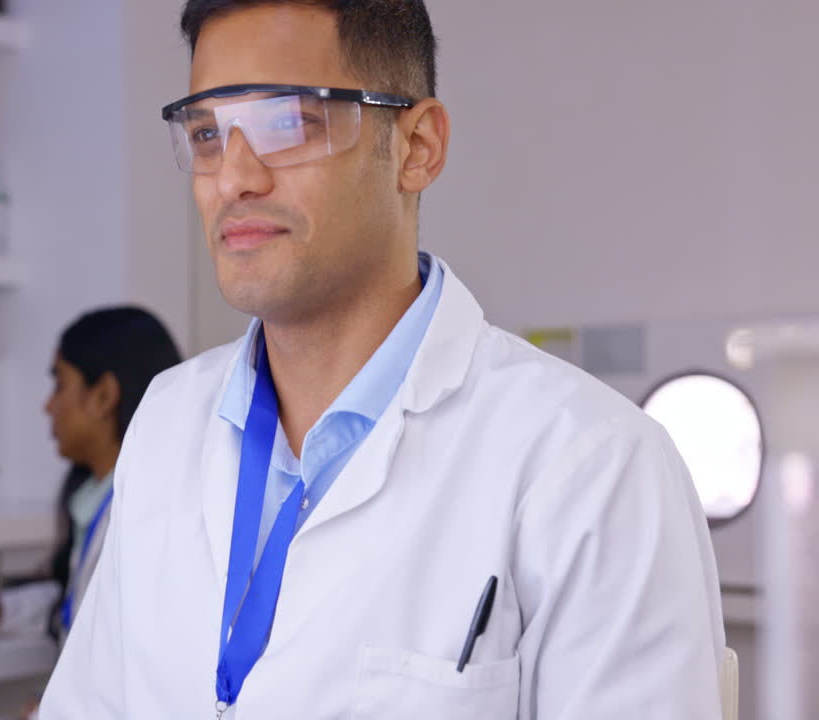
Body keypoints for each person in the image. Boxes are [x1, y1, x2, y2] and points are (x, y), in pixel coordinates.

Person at [39, 2, 725, 719]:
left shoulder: (593, 465)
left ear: (416, 147)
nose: (233, 177)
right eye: (208, 133)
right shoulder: (166, 421)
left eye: (287, 122)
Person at [0, 306, 181, 640]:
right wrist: (0, 610)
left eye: (59, 385)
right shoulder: (98, 502)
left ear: (103, 396)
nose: (48, 406)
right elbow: (77, 604)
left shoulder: (152, 514)